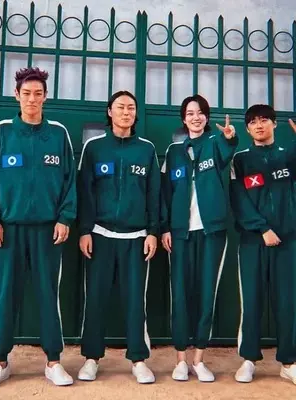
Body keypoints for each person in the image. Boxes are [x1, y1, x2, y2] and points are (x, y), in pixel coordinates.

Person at [0, 67, 76, 388]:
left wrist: (65, 217)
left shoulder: (58, 133)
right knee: (5, 294)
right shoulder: (3, 131)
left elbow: (69, 180)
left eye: (38, 93)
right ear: (16, 95)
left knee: (48, 294)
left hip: (48, 230)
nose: (32, 99)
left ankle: (53, 361)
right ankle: (0, 361)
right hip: (8, 230)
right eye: (27, 93)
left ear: (46, 97)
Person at [77, 90, 160, 384]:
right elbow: (84, 192)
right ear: (110, 112)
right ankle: (91, 358)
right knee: (96, 299)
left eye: (131, 108)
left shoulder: (146, 149)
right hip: (100, 235)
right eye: (121, 107)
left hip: (136, 237)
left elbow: (154, 194)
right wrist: (84, 230)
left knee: (135, 301)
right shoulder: (94, 148)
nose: (126, 112)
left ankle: (138, 359)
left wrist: (153, 232)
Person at [161, 94, 238, 382]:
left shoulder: (215, 143)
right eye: (190, 113)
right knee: (180, 295)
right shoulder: (174, 152)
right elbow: (165, 193)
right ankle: (181, 359)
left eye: (200, 112)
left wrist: (230, 137)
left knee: (207, 294)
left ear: (207, 117)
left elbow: (227, 151)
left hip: (211, 231)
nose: (196, 117)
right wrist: (165, 228)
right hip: (180, 233)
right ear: (183, 118)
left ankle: (199, 359)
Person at [230, 105, 296, 384]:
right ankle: (248, 359)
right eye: (253, 122)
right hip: (252, 242)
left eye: (264, 120)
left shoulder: (288, 156)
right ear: (247, 129)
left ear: (274, 124)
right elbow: (239, 199)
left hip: (287, 241)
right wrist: (262, 229)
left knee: (288, 302)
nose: (259, 125)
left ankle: (289, 362)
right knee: (252, 301)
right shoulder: (240, 159)